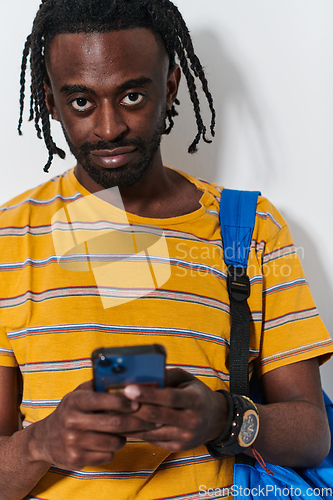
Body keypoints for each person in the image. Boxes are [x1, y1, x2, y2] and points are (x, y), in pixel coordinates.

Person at [0, 1, 332, 499]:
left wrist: (222, 416)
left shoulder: (249, 226)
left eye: (132, 95)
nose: (109, 128)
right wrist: (40, 444)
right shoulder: (9, 237)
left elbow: (312, 436)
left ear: (171, 85)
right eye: (82, 102)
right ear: (49, 99)